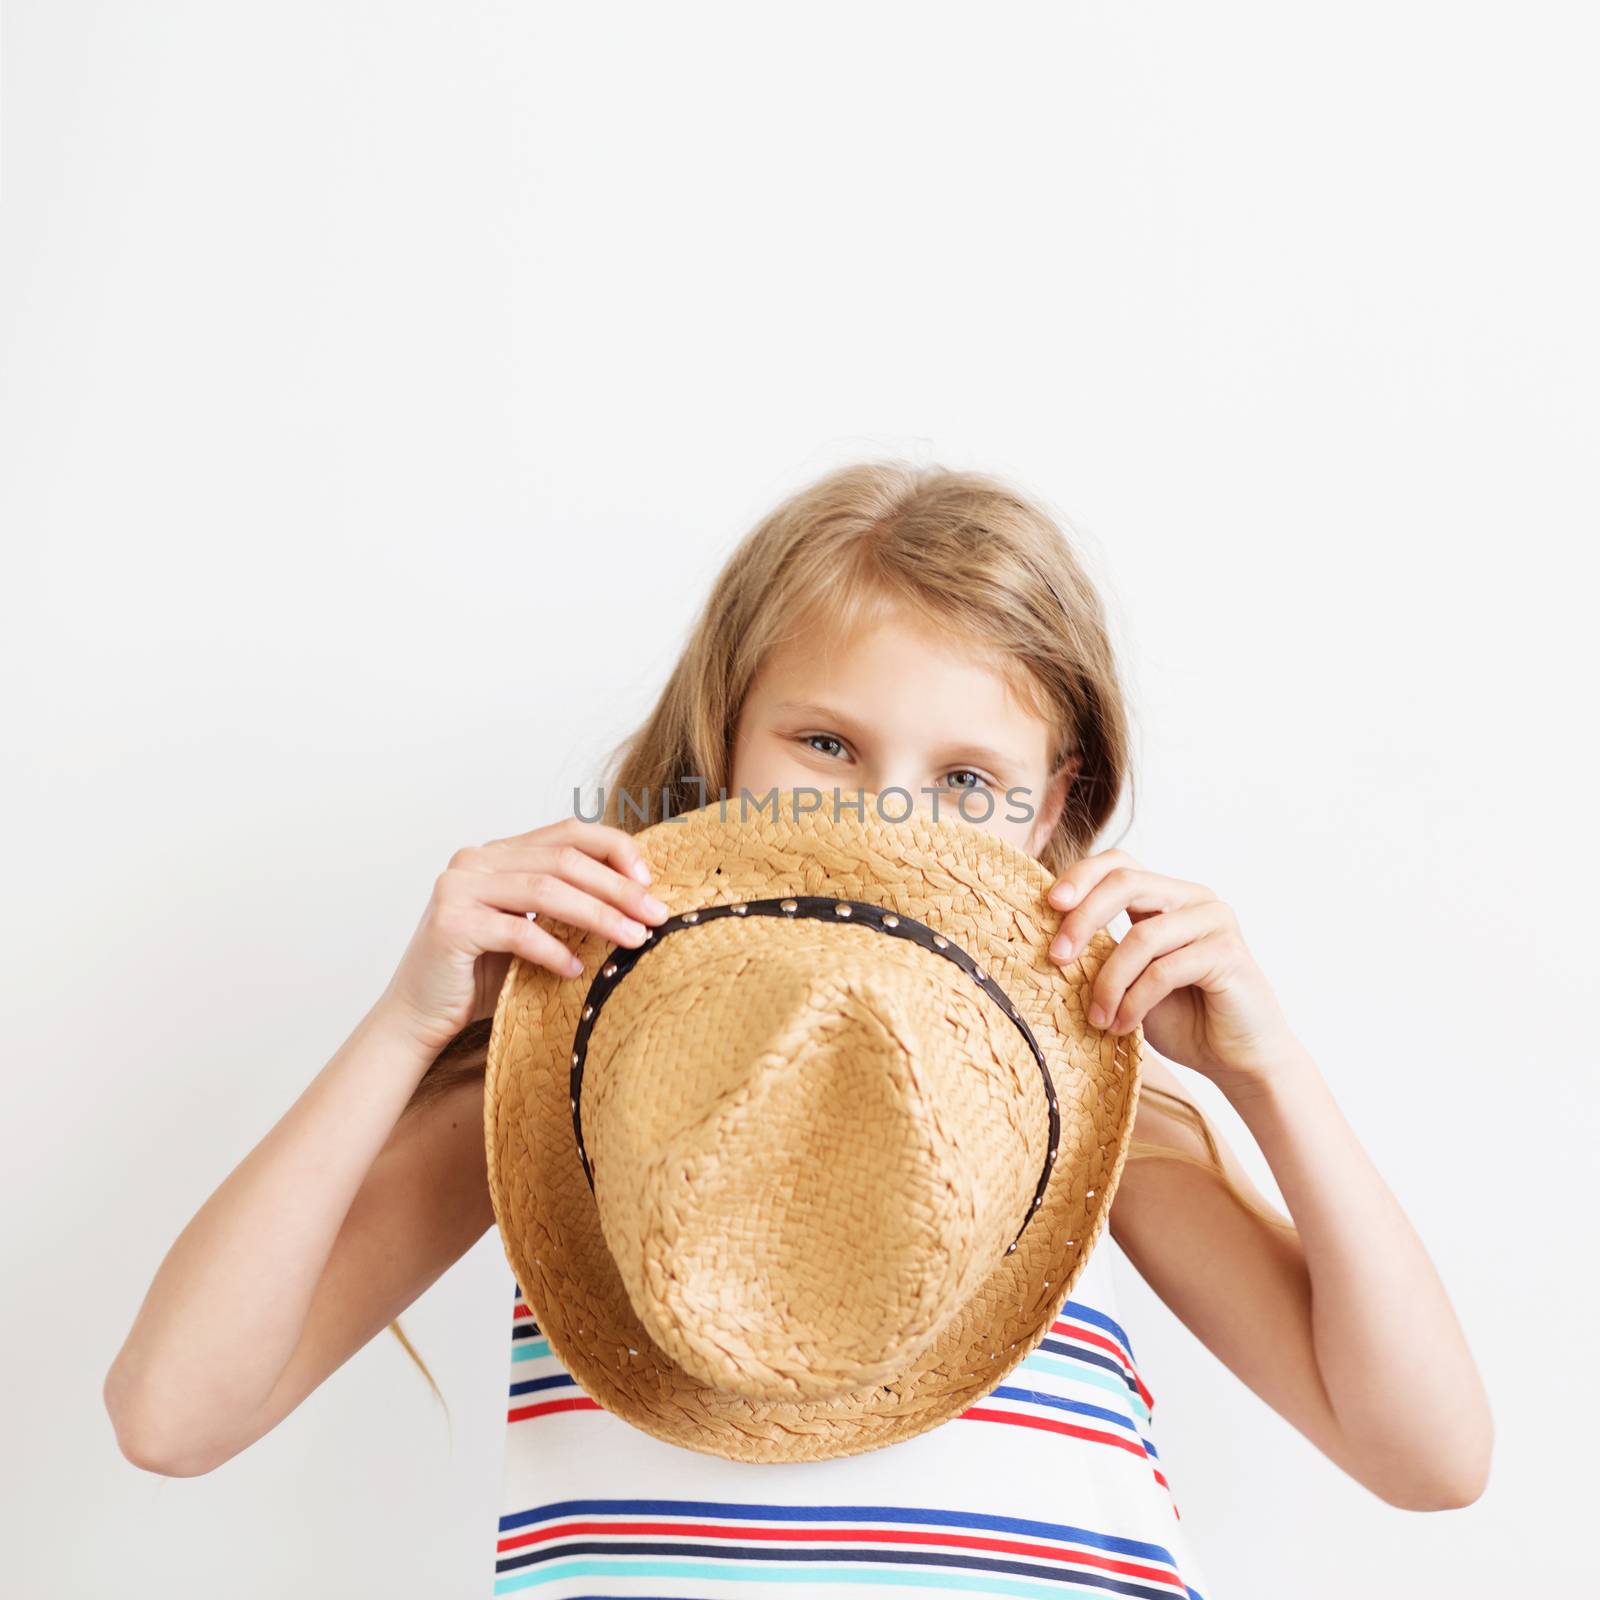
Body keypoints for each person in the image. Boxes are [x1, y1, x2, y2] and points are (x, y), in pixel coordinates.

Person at [103, 461, 1493, 1595]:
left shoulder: (1059, 1113)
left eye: (965, 775)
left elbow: (1429, 1459)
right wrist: (411, 1024)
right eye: (825, 744)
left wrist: (1272, 1075)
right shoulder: (573, 1082)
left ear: (1052, 796)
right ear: (723, 732)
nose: (880, 815)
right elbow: (171, 1417)